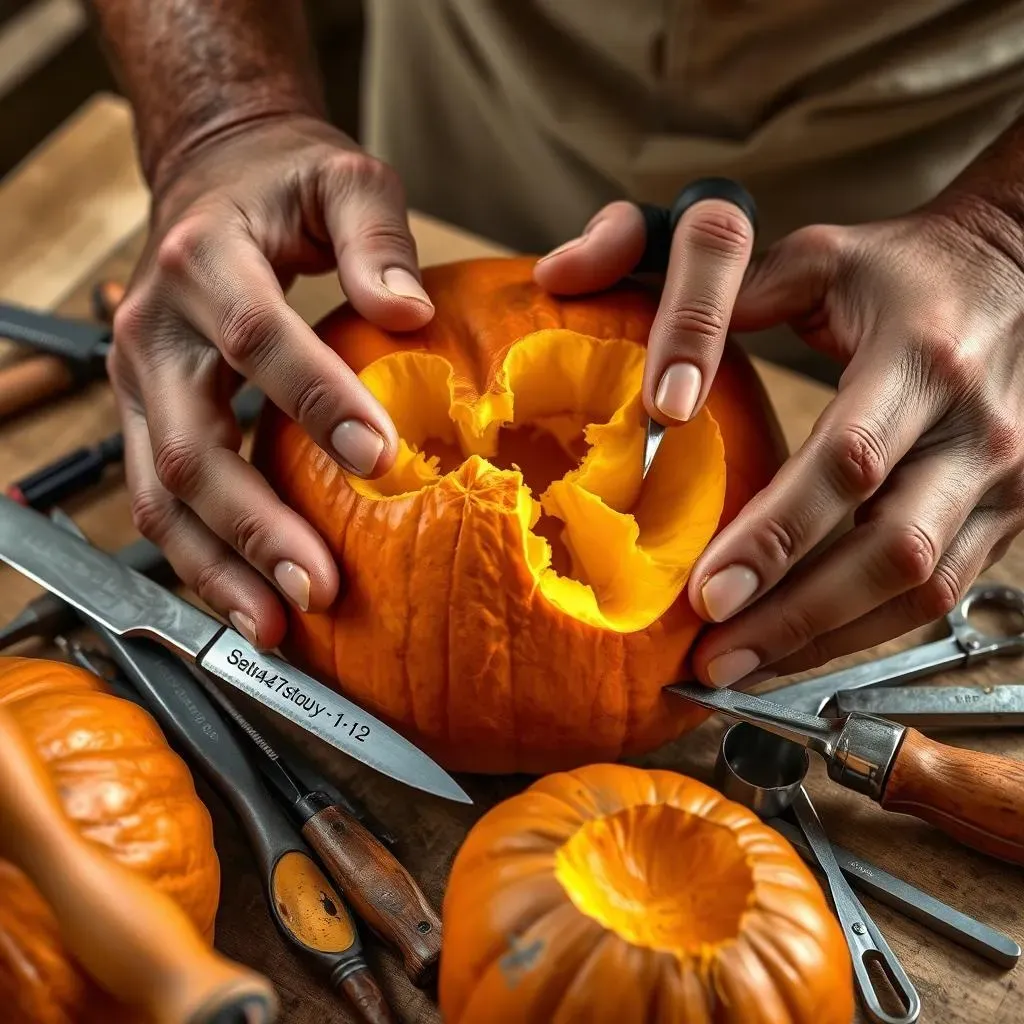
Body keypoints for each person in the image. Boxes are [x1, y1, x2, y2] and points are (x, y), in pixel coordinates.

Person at [86, 1, 1024, 690]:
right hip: (486, 71)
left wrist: (1004, 239)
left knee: (870, 466)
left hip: (927, 113)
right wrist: (221, 117)